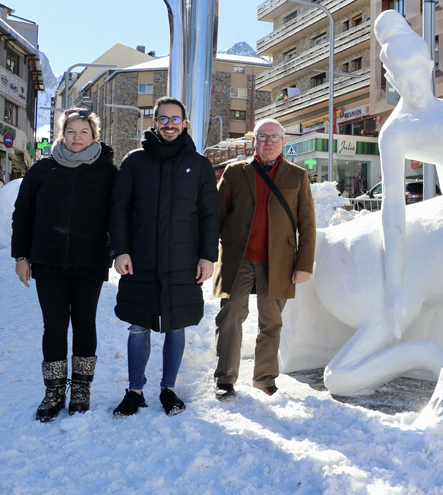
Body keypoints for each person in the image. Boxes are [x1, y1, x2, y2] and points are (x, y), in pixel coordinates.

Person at [109, 97, 218, 417]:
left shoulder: (198, 165)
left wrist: (207, 256)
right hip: (139, 258)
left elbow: (210, 216)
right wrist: (120, 250)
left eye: (176, 119)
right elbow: (119, 209)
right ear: (154, 121)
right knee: (137, 327)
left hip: (182, 259)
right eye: (163, 119)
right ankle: (135, 390)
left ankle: (168, 389)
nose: (170, 124)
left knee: (176, 325)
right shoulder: (134, 161)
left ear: (185, 123)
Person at [11, 109, 117, 421]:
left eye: (84, 131)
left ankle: (81, 388)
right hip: (48, 261)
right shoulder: (42, 169)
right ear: (62, 133)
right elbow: (23, 214)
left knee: (85, 324)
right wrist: (21, 257)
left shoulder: (108, 172)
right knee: (54, 326)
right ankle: (54, 390)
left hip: (89, 262)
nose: (76, 137)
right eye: (71, 131)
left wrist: (116, 249)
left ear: (94, 135)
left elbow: (120, 214)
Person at [212, 118, 316, 399]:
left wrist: (304, 265)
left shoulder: (297, 176)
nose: (268, 142)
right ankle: (225, 378)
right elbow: (216, 216)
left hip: (278, 261)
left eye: (274, 137)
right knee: (231, 314)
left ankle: (265, 378)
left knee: (271, 322)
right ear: (254, 142)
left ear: (284, 142)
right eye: (263, 137)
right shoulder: (235, 172)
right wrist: (217, 250)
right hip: (240, 258)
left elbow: (306, 225)